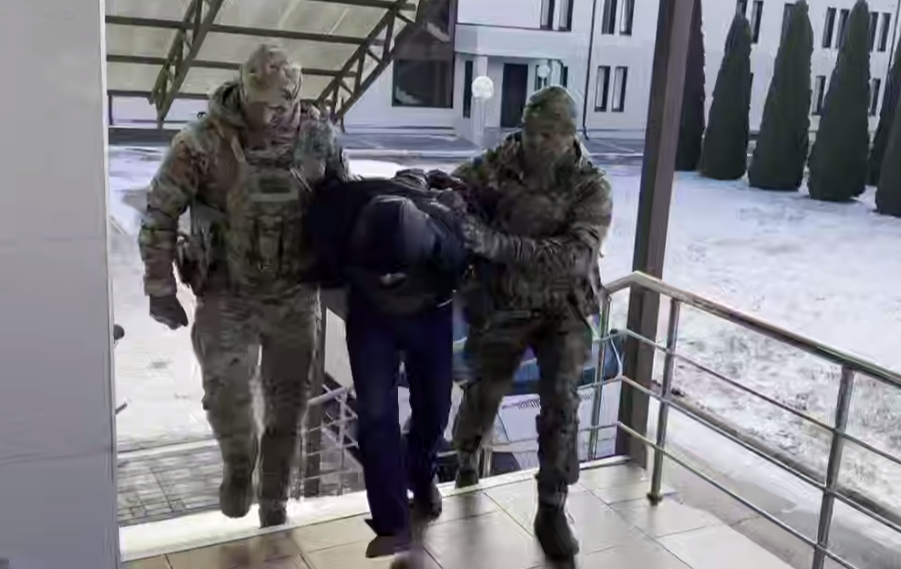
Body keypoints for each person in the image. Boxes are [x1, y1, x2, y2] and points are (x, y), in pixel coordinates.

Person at [138, 44, 351, 528]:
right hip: (227, 292)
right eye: (257, 104)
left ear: (295, 97)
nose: (265, 116)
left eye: (277, 107)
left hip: (294, 294)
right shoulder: (201, 142)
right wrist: (159, 288)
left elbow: (346, 205)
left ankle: (274, 496)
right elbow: (160, 214)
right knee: (226, 394)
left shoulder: (318, 138)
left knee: (289, 403)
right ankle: (239, 463)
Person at [433, 86, 613, 563]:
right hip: (504, 302)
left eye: (546, 135)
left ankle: (552, 504)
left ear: (569, 136)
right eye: (529, 131)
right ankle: (465, 461)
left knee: (561, 402)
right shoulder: (504, 159)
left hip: (563, 308)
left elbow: (573, 258)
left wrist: (495, 244)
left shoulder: (590, 185)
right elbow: (458, 185)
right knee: (483, 393)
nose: (534, 141)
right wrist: (449, 198)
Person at [303, 170, 468, 558]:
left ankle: (421, 474)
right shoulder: (339, 230)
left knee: (435, 407)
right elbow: (316, 276)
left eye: (397, 273)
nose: (390, 279)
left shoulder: (449, 240)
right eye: (382, 272)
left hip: (430, 313)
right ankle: (392, 523)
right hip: (370, 317)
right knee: (376, 416)